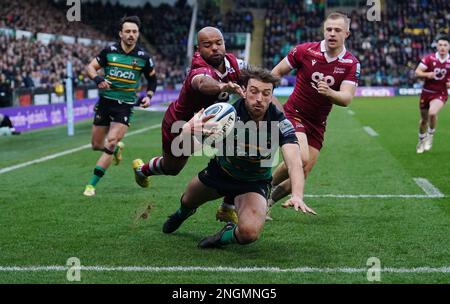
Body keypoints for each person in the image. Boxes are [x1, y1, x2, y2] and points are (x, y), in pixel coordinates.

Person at [161, 66, 316, 249]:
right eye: (254, 91)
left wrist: (297, 195)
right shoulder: (225, 115)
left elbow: (294, 162)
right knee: (187, 200)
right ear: (244, 91)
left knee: (249, 233)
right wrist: (187, 132)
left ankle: (222, 237)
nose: (259, 99)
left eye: (266, 93)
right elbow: (186, 148)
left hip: (253, 183)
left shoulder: (281, 123)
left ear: (272, 95)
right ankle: (181, 214)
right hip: (220, 172)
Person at [132, 26, 246, 221]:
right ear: (198, 48)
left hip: (210, 124)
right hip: (181, 125)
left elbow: (255, 77)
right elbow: (202, 83)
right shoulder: (198, 67)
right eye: (207, 45)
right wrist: (222, 86)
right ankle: (142, 170)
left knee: (241, 149)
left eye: (219, 43)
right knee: (172, 169)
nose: (215, 48)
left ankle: (227, 206)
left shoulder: (234, 63)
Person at [266, 12, 360, 219]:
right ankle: (261, 188)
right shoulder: (304, 51)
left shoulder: (351, 63)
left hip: (318, 123)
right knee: (300, 158)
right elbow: (276, 73)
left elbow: (346, 98)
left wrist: (330, 93)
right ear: (323, 30)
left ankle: (267, 201)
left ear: (347, 33)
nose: (332, 34)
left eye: (337, 30)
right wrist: (268, 97)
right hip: (294, 113)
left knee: (303, 171)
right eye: (328, 29)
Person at [83, 16, 157, 196]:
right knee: (95, 144)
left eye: (135, 32)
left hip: (124, 105)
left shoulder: (143, 57)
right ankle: (116, 150)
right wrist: (98, 78)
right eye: (128, 31)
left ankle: (91, 185)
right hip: (105, 103)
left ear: (138, 34)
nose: (131, 35)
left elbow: (152, 79)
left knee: (111, 141)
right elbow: (90, 67)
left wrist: (148, 96)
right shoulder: (109, 51)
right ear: (120, 33)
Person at [415, 35, 450, 154]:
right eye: (440, 45)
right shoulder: (429, 59)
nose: (442, 47)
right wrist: (427, 74)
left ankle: (430, 134)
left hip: (440, 93)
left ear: (449, 47)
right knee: (424, 120)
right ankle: (421, 140)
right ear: (437, 46)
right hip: (426, 92)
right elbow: (417, 72)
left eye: (445, 45)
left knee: (433, 113)